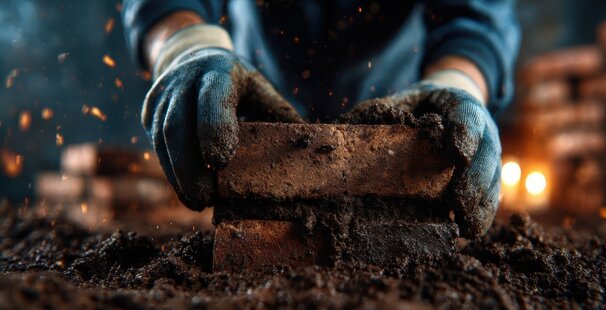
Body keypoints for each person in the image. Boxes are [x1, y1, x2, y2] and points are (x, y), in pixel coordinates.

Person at [122, 0, 520, 236]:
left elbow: (475, 17)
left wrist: (458, 79)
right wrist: (188, 46)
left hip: (399, 107)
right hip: (246, 99)